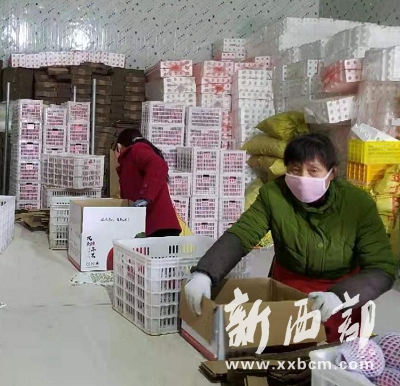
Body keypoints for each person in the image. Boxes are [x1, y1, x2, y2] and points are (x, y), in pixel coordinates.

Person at [184, 133, 397, 342]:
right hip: (288, 289)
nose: (303, 178)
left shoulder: (358, 204)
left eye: (313, 171)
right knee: (283, 348)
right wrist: (205, 272)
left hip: (340, 295)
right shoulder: (273, 195)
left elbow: (381, 268)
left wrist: (341, 296)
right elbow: (242, 235)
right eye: (295, 170)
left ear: (332, 173)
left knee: (336, 354)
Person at [113, 128, 181, 238]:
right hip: (149, 227)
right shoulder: (130, 162)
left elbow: (158, 165)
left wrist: (145, 197)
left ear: (119, 147)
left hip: (158, 227)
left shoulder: (136, 150)